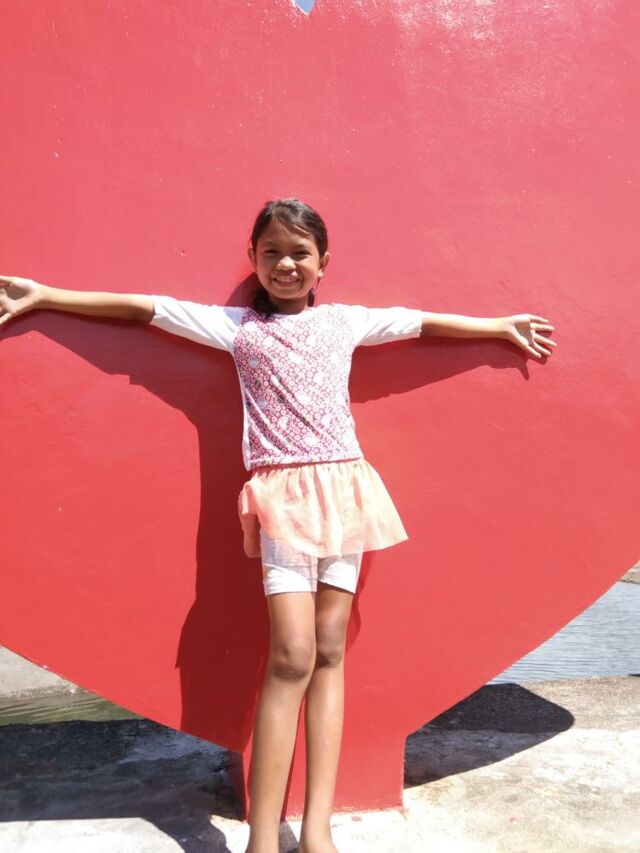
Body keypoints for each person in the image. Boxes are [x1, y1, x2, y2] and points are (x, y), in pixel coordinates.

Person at [0, 197, 556, 853]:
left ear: (323, 263)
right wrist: (46, 296)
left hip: (345, 492)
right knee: (291, 654)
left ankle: (317, 828)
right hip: (282, 500)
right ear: (255, 259)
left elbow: (420, 322)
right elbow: (146, 308)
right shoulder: (237, 329)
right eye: (272, 252)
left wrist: (498, 326)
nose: (286, 264)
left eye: (299, 253)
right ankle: (263, 836)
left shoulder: (346, 321)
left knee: (330, 649)